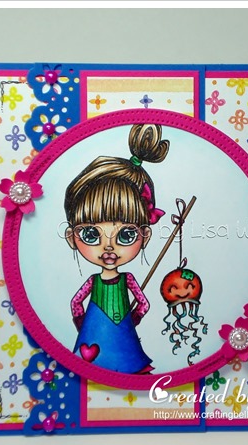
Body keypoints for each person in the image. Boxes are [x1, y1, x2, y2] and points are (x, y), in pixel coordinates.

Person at [64, 124, 169, 374]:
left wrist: (131, 319)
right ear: (71, 237)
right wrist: (85, 323)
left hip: (115, 331)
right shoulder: (94, 282)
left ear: (145, 236)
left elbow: (142, 304)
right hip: (95, 330)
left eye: (126, 234)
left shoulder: (127, 279)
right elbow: (76, 302)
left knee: (127, 362)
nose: (108, 246)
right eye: (91, 234)